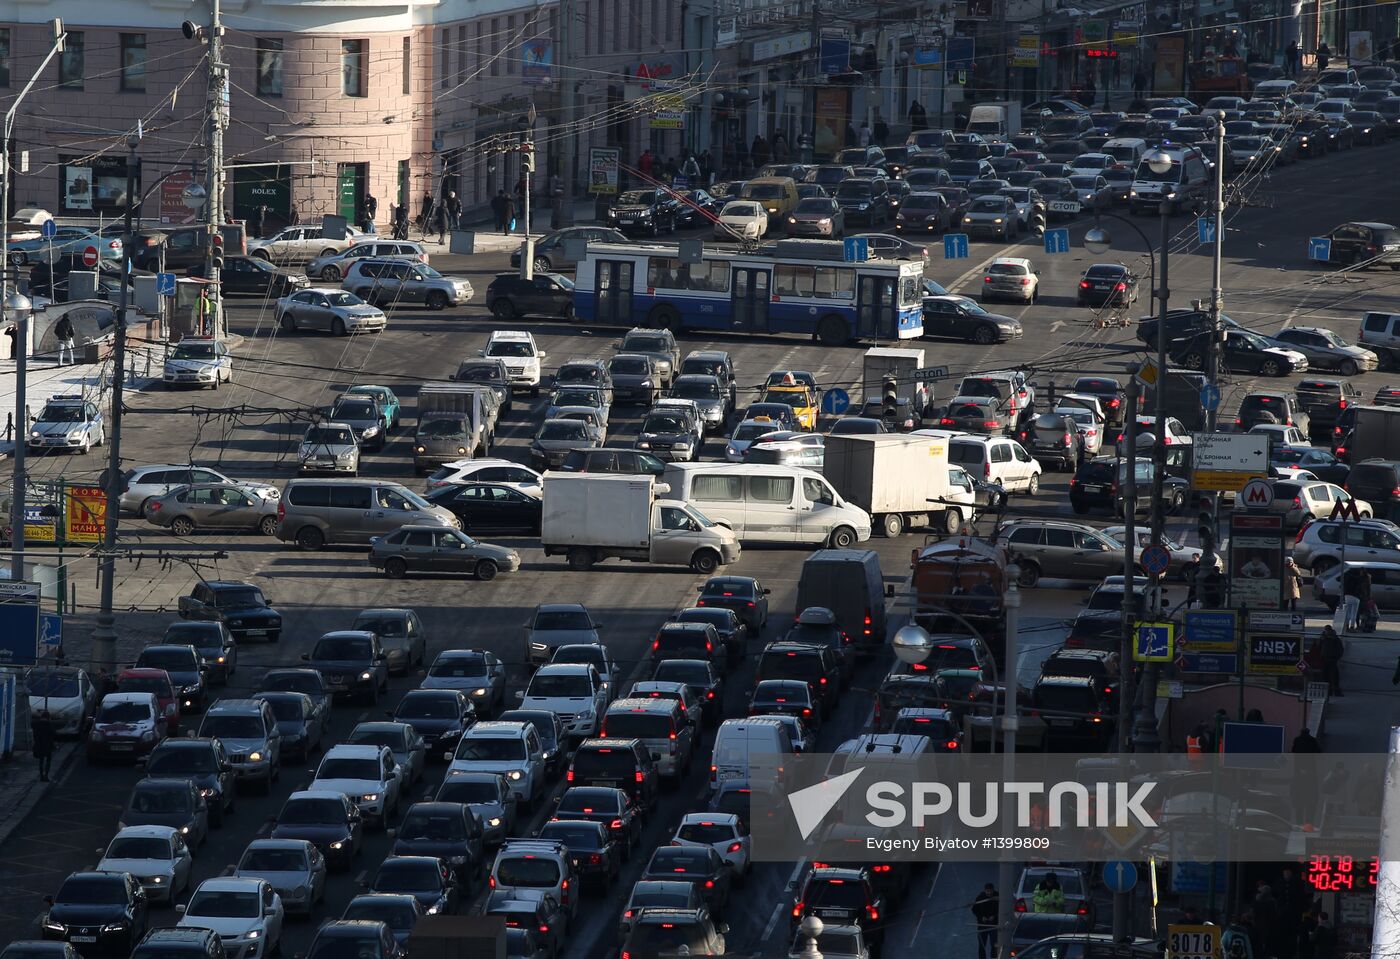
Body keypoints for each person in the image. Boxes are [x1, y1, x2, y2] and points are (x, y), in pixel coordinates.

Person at [971, 884, 998, 959]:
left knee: (994, 945)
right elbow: (974, 910)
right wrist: (981, 917)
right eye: (987, 891)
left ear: (993, 890)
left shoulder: (998, 897)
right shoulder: (980, 897)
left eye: (991, 891)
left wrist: (994, 916)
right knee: (982, 945)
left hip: (994, 925)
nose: (989, 893)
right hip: (982, 925)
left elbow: (1001, 910)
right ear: (985, 890)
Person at [1319, 624, 1344, 695]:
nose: (1327, 632)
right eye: (1326, 630)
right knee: (1325, 676)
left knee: (1334, 676)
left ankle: (1336, 690)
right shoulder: (1323, 638)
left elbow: (1340, 649)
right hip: (1324, 659)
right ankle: (1328, 691)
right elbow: (1319, 646)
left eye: (1328, 630)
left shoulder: (1335, 639)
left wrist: (1337, 657)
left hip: (1333, 659)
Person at [31, 712, 54, 782]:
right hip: (48, 745)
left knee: (41, 761)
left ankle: (41, 776)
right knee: (48, 761)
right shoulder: (49, 725)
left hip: (39, 745)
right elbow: (53, 734)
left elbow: (34, 735)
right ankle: (46, 776)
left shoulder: (36, 724)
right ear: (48, 717)